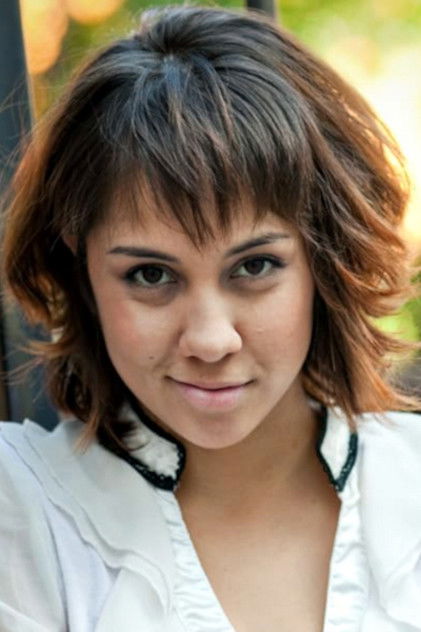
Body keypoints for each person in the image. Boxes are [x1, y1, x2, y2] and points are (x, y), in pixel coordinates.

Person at [0, 5, 420, 631]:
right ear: (82, 276)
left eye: (254, 266)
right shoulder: (24, 511)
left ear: (323, 262)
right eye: (150, 275)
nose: (210, 339)